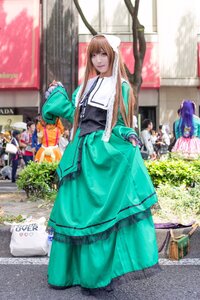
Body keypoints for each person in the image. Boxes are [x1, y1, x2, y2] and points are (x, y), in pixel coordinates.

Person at [42, 34, 160, 290]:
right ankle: (67, 274)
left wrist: (127, 134)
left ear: (112, 55)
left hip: (100, 156)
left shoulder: (122, 87)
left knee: (99, 214)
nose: (99, 59)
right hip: (77, 156)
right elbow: (73, 118)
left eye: (103, 53)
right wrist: (58, 97)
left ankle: (98, 276)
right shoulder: (83, 87)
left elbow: (118, 125)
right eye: (94, 54)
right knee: (72, 212)